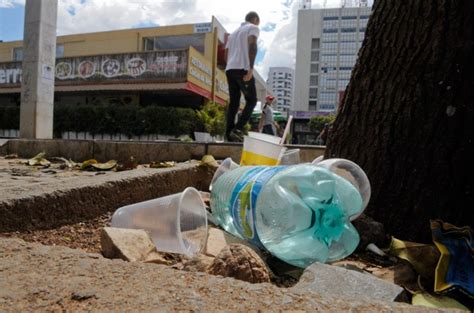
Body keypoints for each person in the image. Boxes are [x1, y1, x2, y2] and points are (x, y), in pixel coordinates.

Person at [224, 11, 260, 142]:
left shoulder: (232, 34)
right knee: (252, 100)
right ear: (255, 19)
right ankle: (237, 129)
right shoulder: (253, 28)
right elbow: (253, 45)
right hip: (242, 68)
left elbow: (225, 54)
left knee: (234, 102)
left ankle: (228, 133)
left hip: (230, 69)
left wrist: (231, 66)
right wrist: (250, 68)